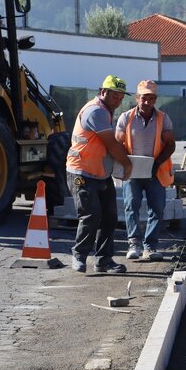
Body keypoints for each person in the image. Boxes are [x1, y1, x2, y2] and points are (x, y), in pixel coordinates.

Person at [65, 75, 134, 274]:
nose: (118, 100)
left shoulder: (106, 111)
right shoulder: (95, 111)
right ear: (103, 92)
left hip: (100, 173)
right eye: (114, 96)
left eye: (121, 97)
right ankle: (79, 255)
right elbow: (111, 144)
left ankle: (104, 260)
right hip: (82, 172)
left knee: (110, 216)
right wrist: (127, 164)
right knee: (90, 215)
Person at [116, 80, 175, 261]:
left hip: (155, 171)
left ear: (155, 99)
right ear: (137, 98)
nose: (147, 102)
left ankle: (150, 246)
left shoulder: (163, 118)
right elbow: (118, 144)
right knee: (131, 206)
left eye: (151, 98)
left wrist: (156, 163)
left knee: (157, 208)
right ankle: (134, 243)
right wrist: (126, 163)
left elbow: (170, 145)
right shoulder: (126, 118)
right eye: (144, 98)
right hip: (132, 171)